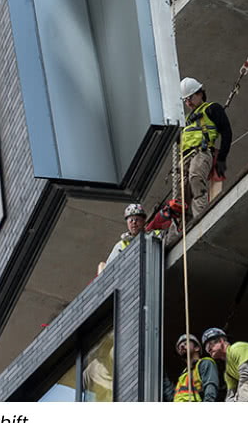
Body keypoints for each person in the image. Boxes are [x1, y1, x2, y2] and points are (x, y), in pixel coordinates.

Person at [168, 77, 232, 247]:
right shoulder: (187, 119)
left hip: (201, 152)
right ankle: (180, 232)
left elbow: (226, 132)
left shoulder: (211, 109)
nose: (188, 102)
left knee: (196, 179)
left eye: (190, 98)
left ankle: (200, 218)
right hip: (185, 158)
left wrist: (222, 157)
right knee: (181, 198)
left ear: (200, 93)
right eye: (185, 100)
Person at [98, 203, 157, 275]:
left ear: (144, 221)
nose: (134, 222)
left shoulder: (154, 235)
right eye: (131, 220)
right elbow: (109, 270)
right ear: (127, 223)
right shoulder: (120, 246)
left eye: (137, 219)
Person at [162, 333, 222, 402]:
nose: (181, 346)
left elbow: (210, 387)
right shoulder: (183, 375)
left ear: (197, 348)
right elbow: (173, 396)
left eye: (185, 343)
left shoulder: (204, 364)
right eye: (179, 346)